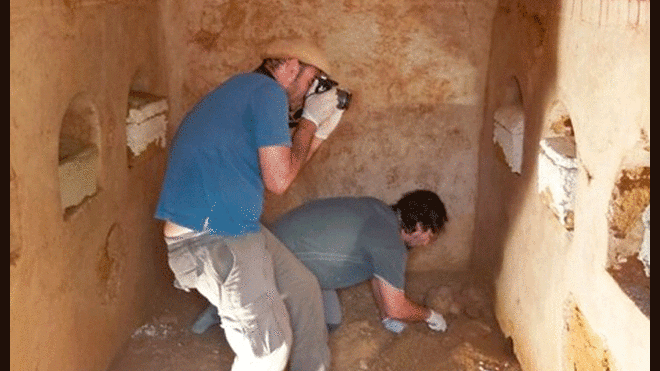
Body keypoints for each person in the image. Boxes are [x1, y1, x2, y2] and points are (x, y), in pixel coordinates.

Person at [154, 38, 346, 371]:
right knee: (268, 350)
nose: (312, 92)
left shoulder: (243, 93)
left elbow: (279, 172)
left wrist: (317, 133)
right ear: (289, 67)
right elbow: (280, 182)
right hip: (208, 239)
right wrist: (310, 123)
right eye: (314, 82)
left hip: (233, 227)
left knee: (302, 289)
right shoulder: (266, 93)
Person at [193, 190, 450, 356]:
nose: (427, 243)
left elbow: (380, 277)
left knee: (332, 320)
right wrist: (430, 314)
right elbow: (397, 307)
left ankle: (228, 304)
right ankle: (238, 310)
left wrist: (386, 316)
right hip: (280, 261)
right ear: (418, 226)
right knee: (309, 336)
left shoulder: (378, 211)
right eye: (430, 235)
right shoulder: (390, 242)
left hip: (275, 245)